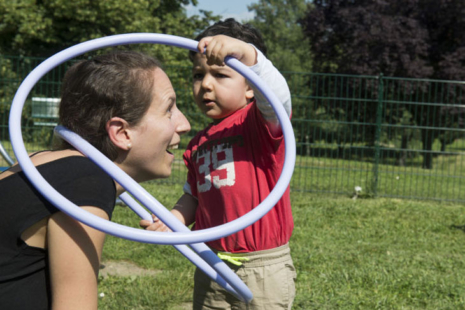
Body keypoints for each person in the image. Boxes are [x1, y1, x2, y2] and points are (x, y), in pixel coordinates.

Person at [0, 50, 191, 310]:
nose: (185, 124)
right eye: (169, 109)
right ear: (122, 133)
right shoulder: (86, 186)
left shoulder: (45, 161)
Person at [141, 19, 296, 310]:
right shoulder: (198, 143)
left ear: (251, 86)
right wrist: (172, 219)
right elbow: (193, 196)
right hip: (211, 262)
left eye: (220, 75)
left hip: (261, 269)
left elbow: (277, 98)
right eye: (199, 75)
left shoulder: (261, 124)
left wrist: (248, 55)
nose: (206, 85)